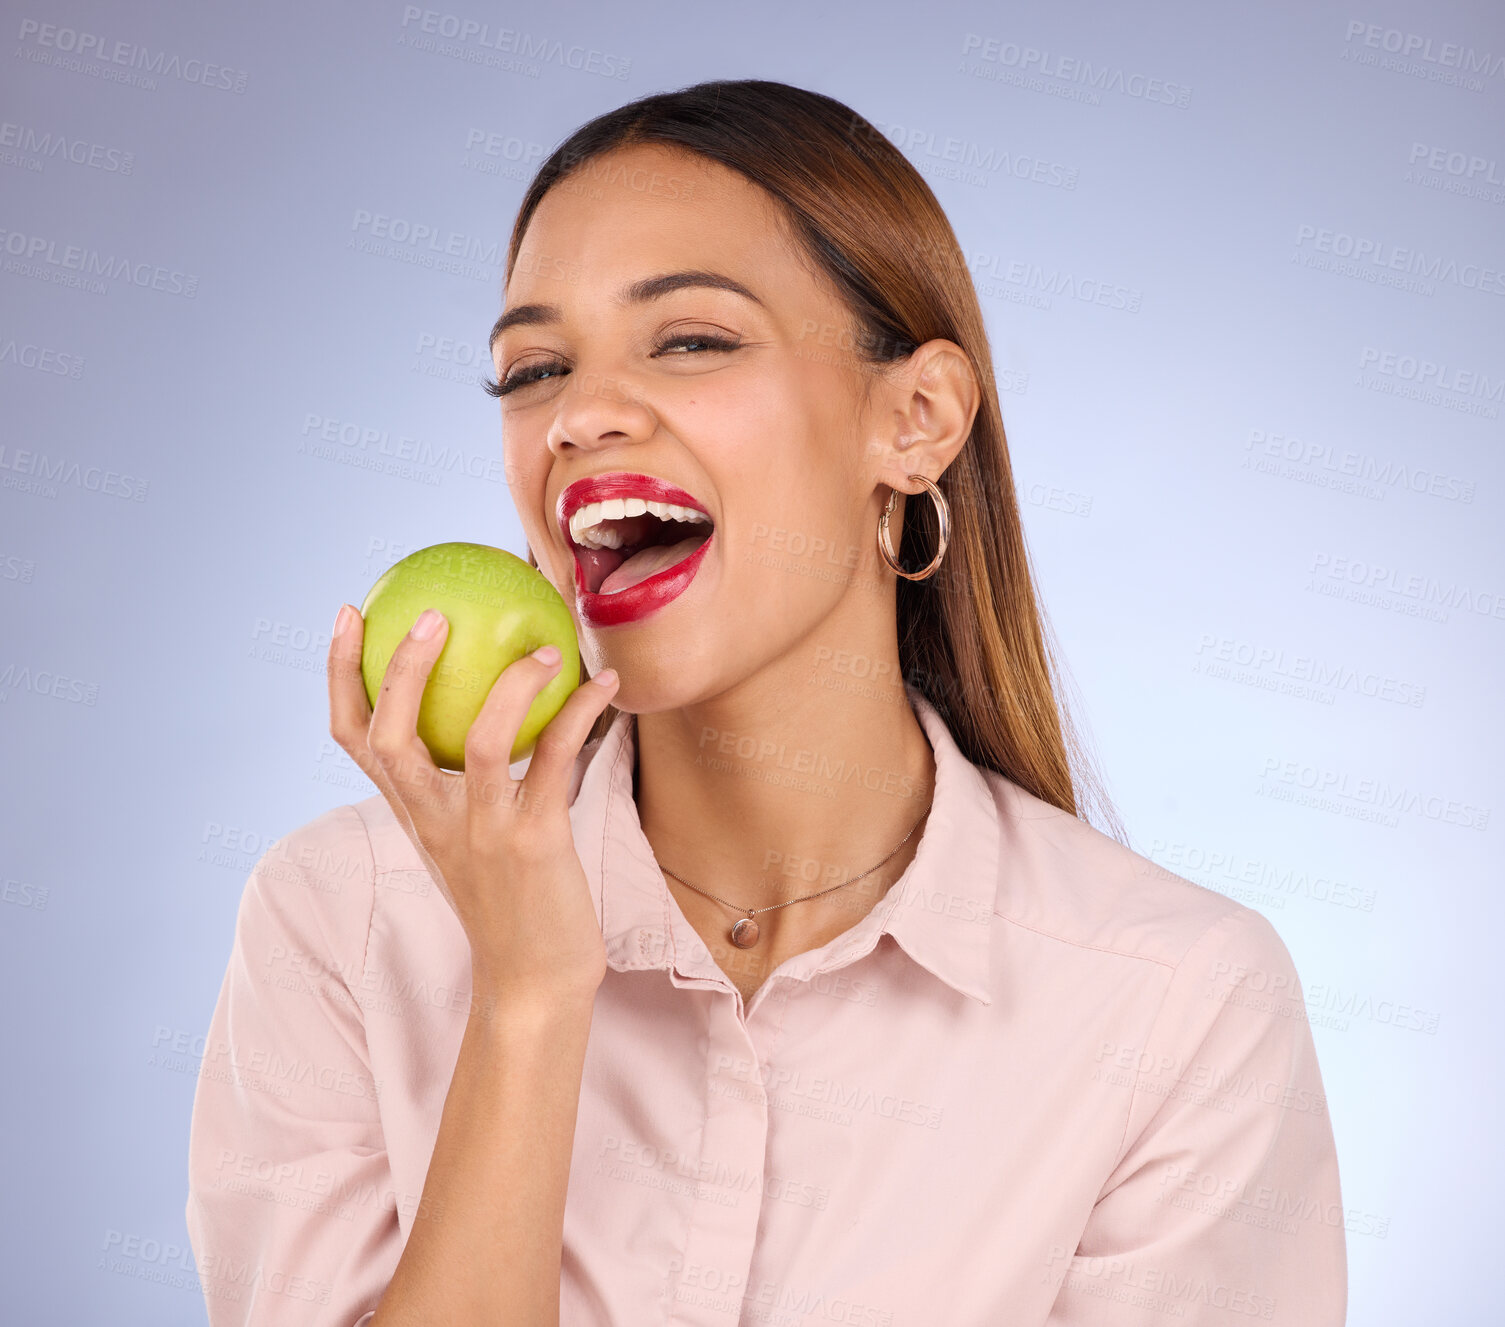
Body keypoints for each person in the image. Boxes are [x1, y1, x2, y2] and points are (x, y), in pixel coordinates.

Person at [185, 79, 1347, 1326]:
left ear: (914, 419)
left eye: (690, 340)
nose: (579, 416)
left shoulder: (1172, 1006)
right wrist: (524, 1000)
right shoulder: (344, 923)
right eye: (533, 368)